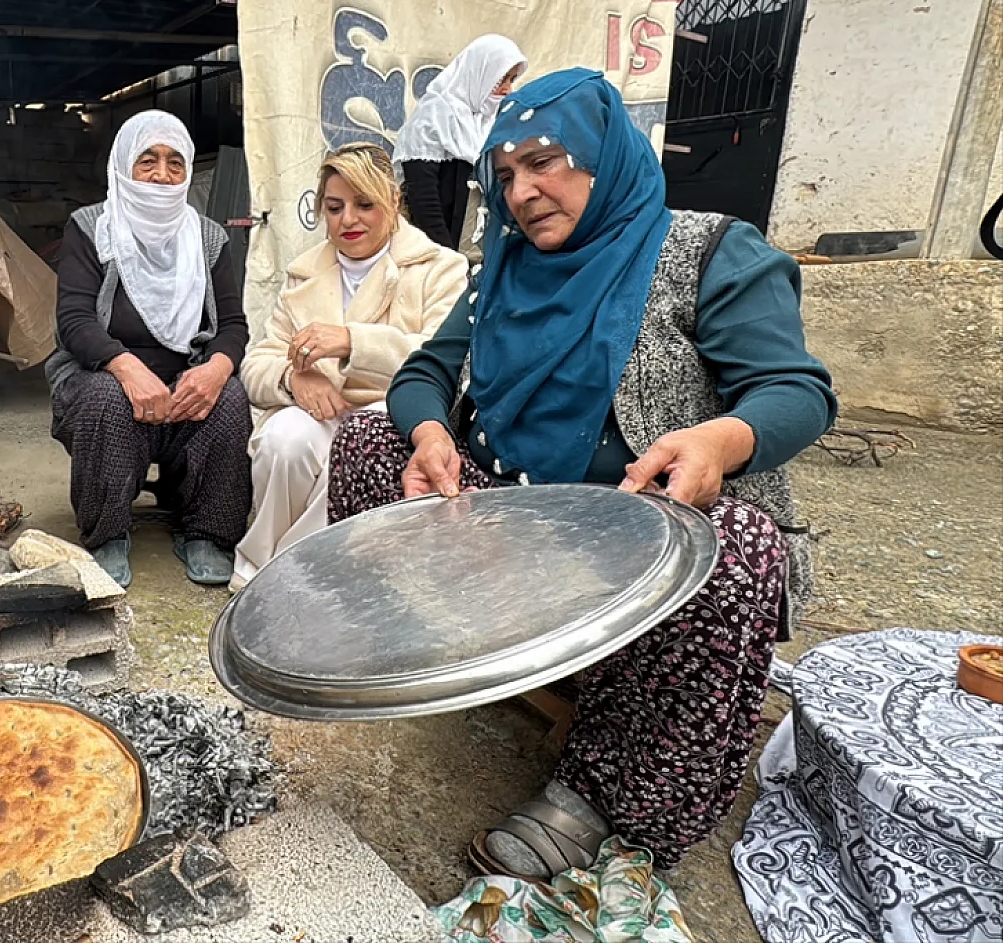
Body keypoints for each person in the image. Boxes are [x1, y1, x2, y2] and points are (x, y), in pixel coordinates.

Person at [328, 69, 837, 878]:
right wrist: (430, 434)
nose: (524, 192)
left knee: (738, 550)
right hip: (507, 526)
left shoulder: (709, 251)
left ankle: (606, 796)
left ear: (605, 156)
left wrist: (719, 439)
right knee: (365, 441)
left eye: (544, 161)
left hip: (633, 536)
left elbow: (796, 391)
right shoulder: (500, 270)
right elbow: (424, 372)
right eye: (505, 175)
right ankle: (438, 651)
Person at [234, 143, 468, 589]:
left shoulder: (440, 267)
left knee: (356, 442)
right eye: (335, 206)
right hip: (320, 410)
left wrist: (352, 341)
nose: (348, 220)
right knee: (284, 438)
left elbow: (445, 357)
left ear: (393, 202)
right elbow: (258, 361)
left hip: (395, 413)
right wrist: (292, 378)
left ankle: (303, 570)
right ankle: (258, 563)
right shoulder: (305, 273)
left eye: (365, 204)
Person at [44, 110, 253, 589]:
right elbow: (74, 321)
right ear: (124, 164)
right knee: (105, 398)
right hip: (110, 381)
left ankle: (208, 533)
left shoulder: (208, 237)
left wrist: (216, 370)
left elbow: (233, 326)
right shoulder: (91, 227)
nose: (162, 173)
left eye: (175, 163)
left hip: (185, 392)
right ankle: (107, 534)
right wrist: (125, 366)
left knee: (231, 398)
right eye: (148, 160)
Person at [392, 34, 527, 251]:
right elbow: (423, 200)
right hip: (439, 256)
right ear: (480, 73)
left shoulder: (487, 124)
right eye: (502, 79)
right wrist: (444, 259)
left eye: (512, 80)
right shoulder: (433, 117)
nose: (508, 90)